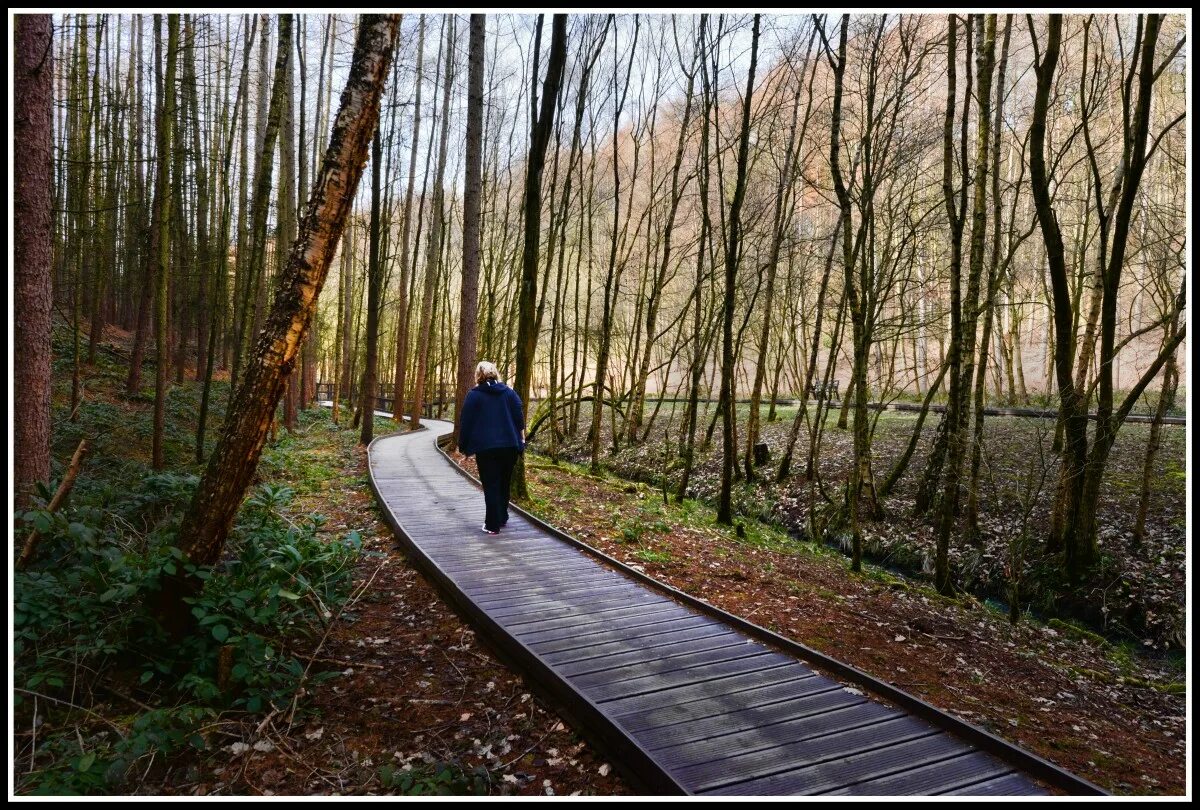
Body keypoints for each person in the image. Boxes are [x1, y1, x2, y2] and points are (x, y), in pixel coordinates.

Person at [457, 361, 525, 535]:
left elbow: (466, 422)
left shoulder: (474, 395)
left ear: (478, 375)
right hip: (510, 446)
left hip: (487, 448)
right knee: (504, 482)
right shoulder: (509, 393)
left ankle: (492, 524)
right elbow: (519, 418)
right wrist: (521, 442)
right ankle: (501, 516)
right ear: (495, 373)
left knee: (491, 485)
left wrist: (463, 447)